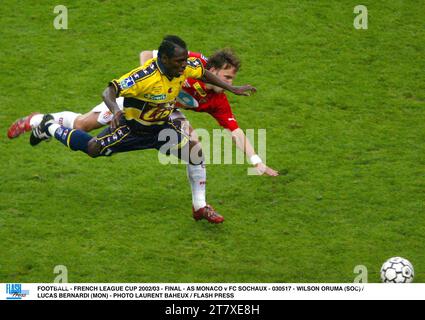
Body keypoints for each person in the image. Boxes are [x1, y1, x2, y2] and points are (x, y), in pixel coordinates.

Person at [27, 36, 256, 223]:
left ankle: (200, 207)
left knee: (195, 152)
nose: (184, 65)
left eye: (185, 60)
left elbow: (201, 71)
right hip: (132, 128)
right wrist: (115, 112)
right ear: (164, 59)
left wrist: (232, 88)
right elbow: (109, 91)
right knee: (92, 147)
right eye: (179, 61)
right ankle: (48, 126)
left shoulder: (185, 67)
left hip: (161, 129)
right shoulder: (143, 76)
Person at [8, 47, 277, 176]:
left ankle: (200, 206)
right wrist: (153, 92)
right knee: (81, 126)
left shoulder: (218, 101)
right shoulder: (191, 62)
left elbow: (235, 131)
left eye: (232, 80)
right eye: (227, 78)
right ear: (214, 69)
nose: (228, 84)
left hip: (162, 113)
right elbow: (146, 55)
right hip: (136, 101)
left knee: (193, 146)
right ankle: (39, 123)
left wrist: (257, 162)